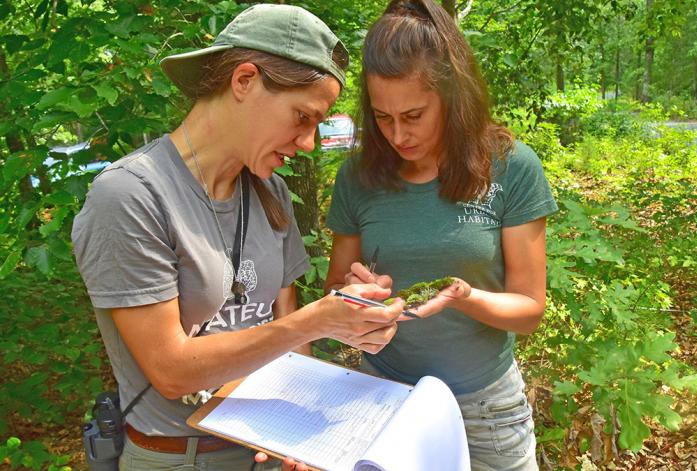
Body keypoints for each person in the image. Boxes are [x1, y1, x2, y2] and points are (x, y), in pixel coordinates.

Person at [71, 4, 404, 470]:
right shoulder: (131, 196)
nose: (308, 142)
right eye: (302, 117)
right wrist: (318, 320)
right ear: (244, 80)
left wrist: (305, 431)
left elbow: (286, 328)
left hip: (268, 447)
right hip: (182, 456)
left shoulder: (271, 192)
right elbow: (171, 371)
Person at [320, 1, 559, 470]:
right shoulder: (359, 176)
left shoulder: (510, 167)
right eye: (383, 118)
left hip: (485, 410)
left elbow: (528, 311)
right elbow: (334, 289)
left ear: (453, 95)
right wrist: (354, 298)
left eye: (413, 115)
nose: (397, 135)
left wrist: (463, 296)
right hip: (383, 398)